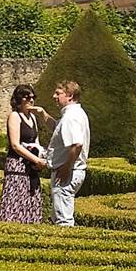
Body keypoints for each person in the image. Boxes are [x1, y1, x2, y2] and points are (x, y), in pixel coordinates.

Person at [43, 79, 90, 227]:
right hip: (72, 171)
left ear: (69, 95)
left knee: (63, 219)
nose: (54, 96)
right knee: (60, 215)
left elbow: (77, 144)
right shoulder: (75, 114)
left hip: (67, 172)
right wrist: (42, 114)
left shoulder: (71, 117)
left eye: (58, 93)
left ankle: (65, 247)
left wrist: (66, 168)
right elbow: (59, 129)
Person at [0, 83, 48, 223]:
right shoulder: (15, 116)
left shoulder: (32, 118)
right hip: (17, 165)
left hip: (30, 166)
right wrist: (36, 160)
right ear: (19, 100)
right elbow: (15, 144)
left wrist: (39, 158)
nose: (31, 100)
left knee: (31, 200)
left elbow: (36, 141)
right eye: (27, 97)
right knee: (16, 201)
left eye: (33, 97)